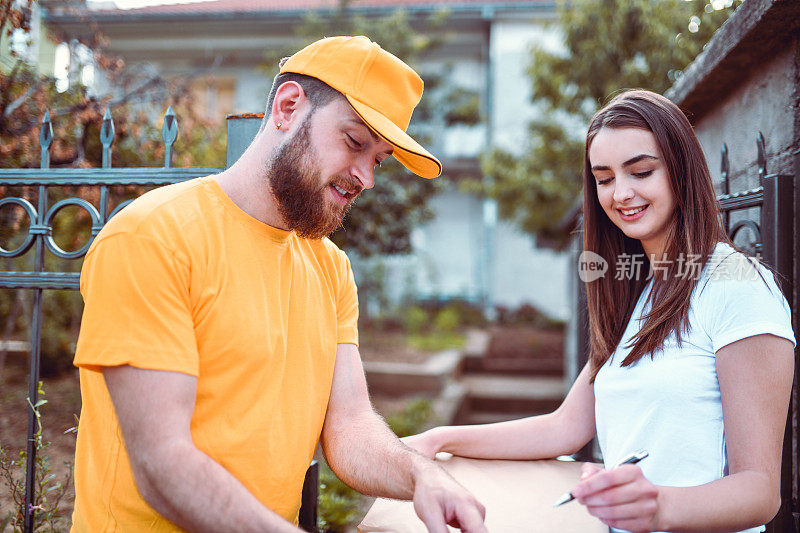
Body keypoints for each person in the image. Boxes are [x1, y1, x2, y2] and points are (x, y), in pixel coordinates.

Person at [70, 36, 487, 533]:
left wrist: (424, 477)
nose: (366, 178)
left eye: (379, 160)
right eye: (355, 142)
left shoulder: (330, 266)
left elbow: (350, 427)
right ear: (288, 107)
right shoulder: (152, 236)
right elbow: (163, 464)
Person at [403, 90, 795, 533]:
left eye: (642, 171)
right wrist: (440, 439)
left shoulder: (738, 288)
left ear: (682, 172)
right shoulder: (637, 289)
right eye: (604, 178)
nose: (621, 194)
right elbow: (564, 429)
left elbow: (760, 490)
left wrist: (658, 507)